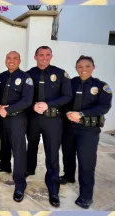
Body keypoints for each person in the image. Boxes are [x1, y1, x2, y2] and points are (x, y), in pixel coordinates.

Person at [61, 55, 112, 209]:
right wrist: (68, 113)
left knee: (86, 162)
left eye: (87, 66)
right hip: (69, 127)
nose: (83, 69)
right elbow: (63, 100)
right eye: (80, 66)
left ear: (93, 67)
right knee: (68, 154)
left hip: (88, 130)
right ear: (76, 68)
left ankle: (86, 196)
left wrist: (81, 114)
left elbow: (104, 107)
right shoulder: (70, 83)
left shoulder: (101, 86)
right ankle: (69, 177)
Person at [26, 46, 72, 207]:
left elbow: (67, 96)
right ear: (35, 57)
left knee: (52, 153)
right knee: (31, 145)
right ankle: (29, 169)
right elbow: (24, 95)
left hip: (52, 120)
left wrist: (48, 104)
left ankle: (53, 188)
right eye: (41, 55)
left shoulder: (60, 74)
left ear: (51, 56)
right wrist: (33, 106)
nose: (44, 58)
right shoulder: (29, 74)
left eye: (47, 55)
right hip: (33, 118)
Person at [0, 51, 34, 202]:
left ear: (19, 60)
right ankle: (5, 164)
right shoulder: (1, 76)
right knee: (4, 142)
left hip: (17, 117)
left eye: (14, 58)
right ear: (5, 60)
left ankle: (19, 184)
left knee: (18, 149)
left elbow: (27, 101)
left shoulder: (26, 78)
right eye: (8, 58)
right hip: (2, 116)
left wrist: (8, 110)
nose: (11, 61)